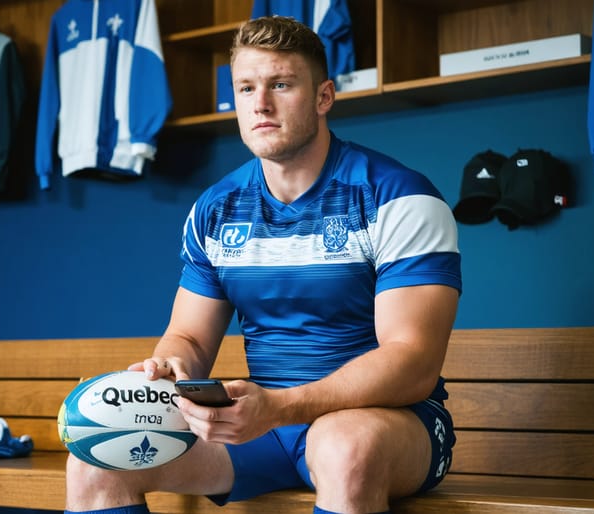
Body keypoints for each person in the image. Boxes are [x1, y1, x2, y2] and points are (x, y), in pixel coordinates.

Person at [64, 15, 461, 514]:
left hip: (392, 421)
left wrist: (278, 407)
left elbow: (413, 364)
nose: (261, 104)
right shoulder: (216, 208)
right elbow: (188, 338)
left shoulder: (397, 196)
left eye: (281, 84)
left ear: (323, 97)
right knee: (98, 457)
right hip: (266, 427)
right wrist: (169, 369)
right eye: (246, 88)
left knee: (344, 449)